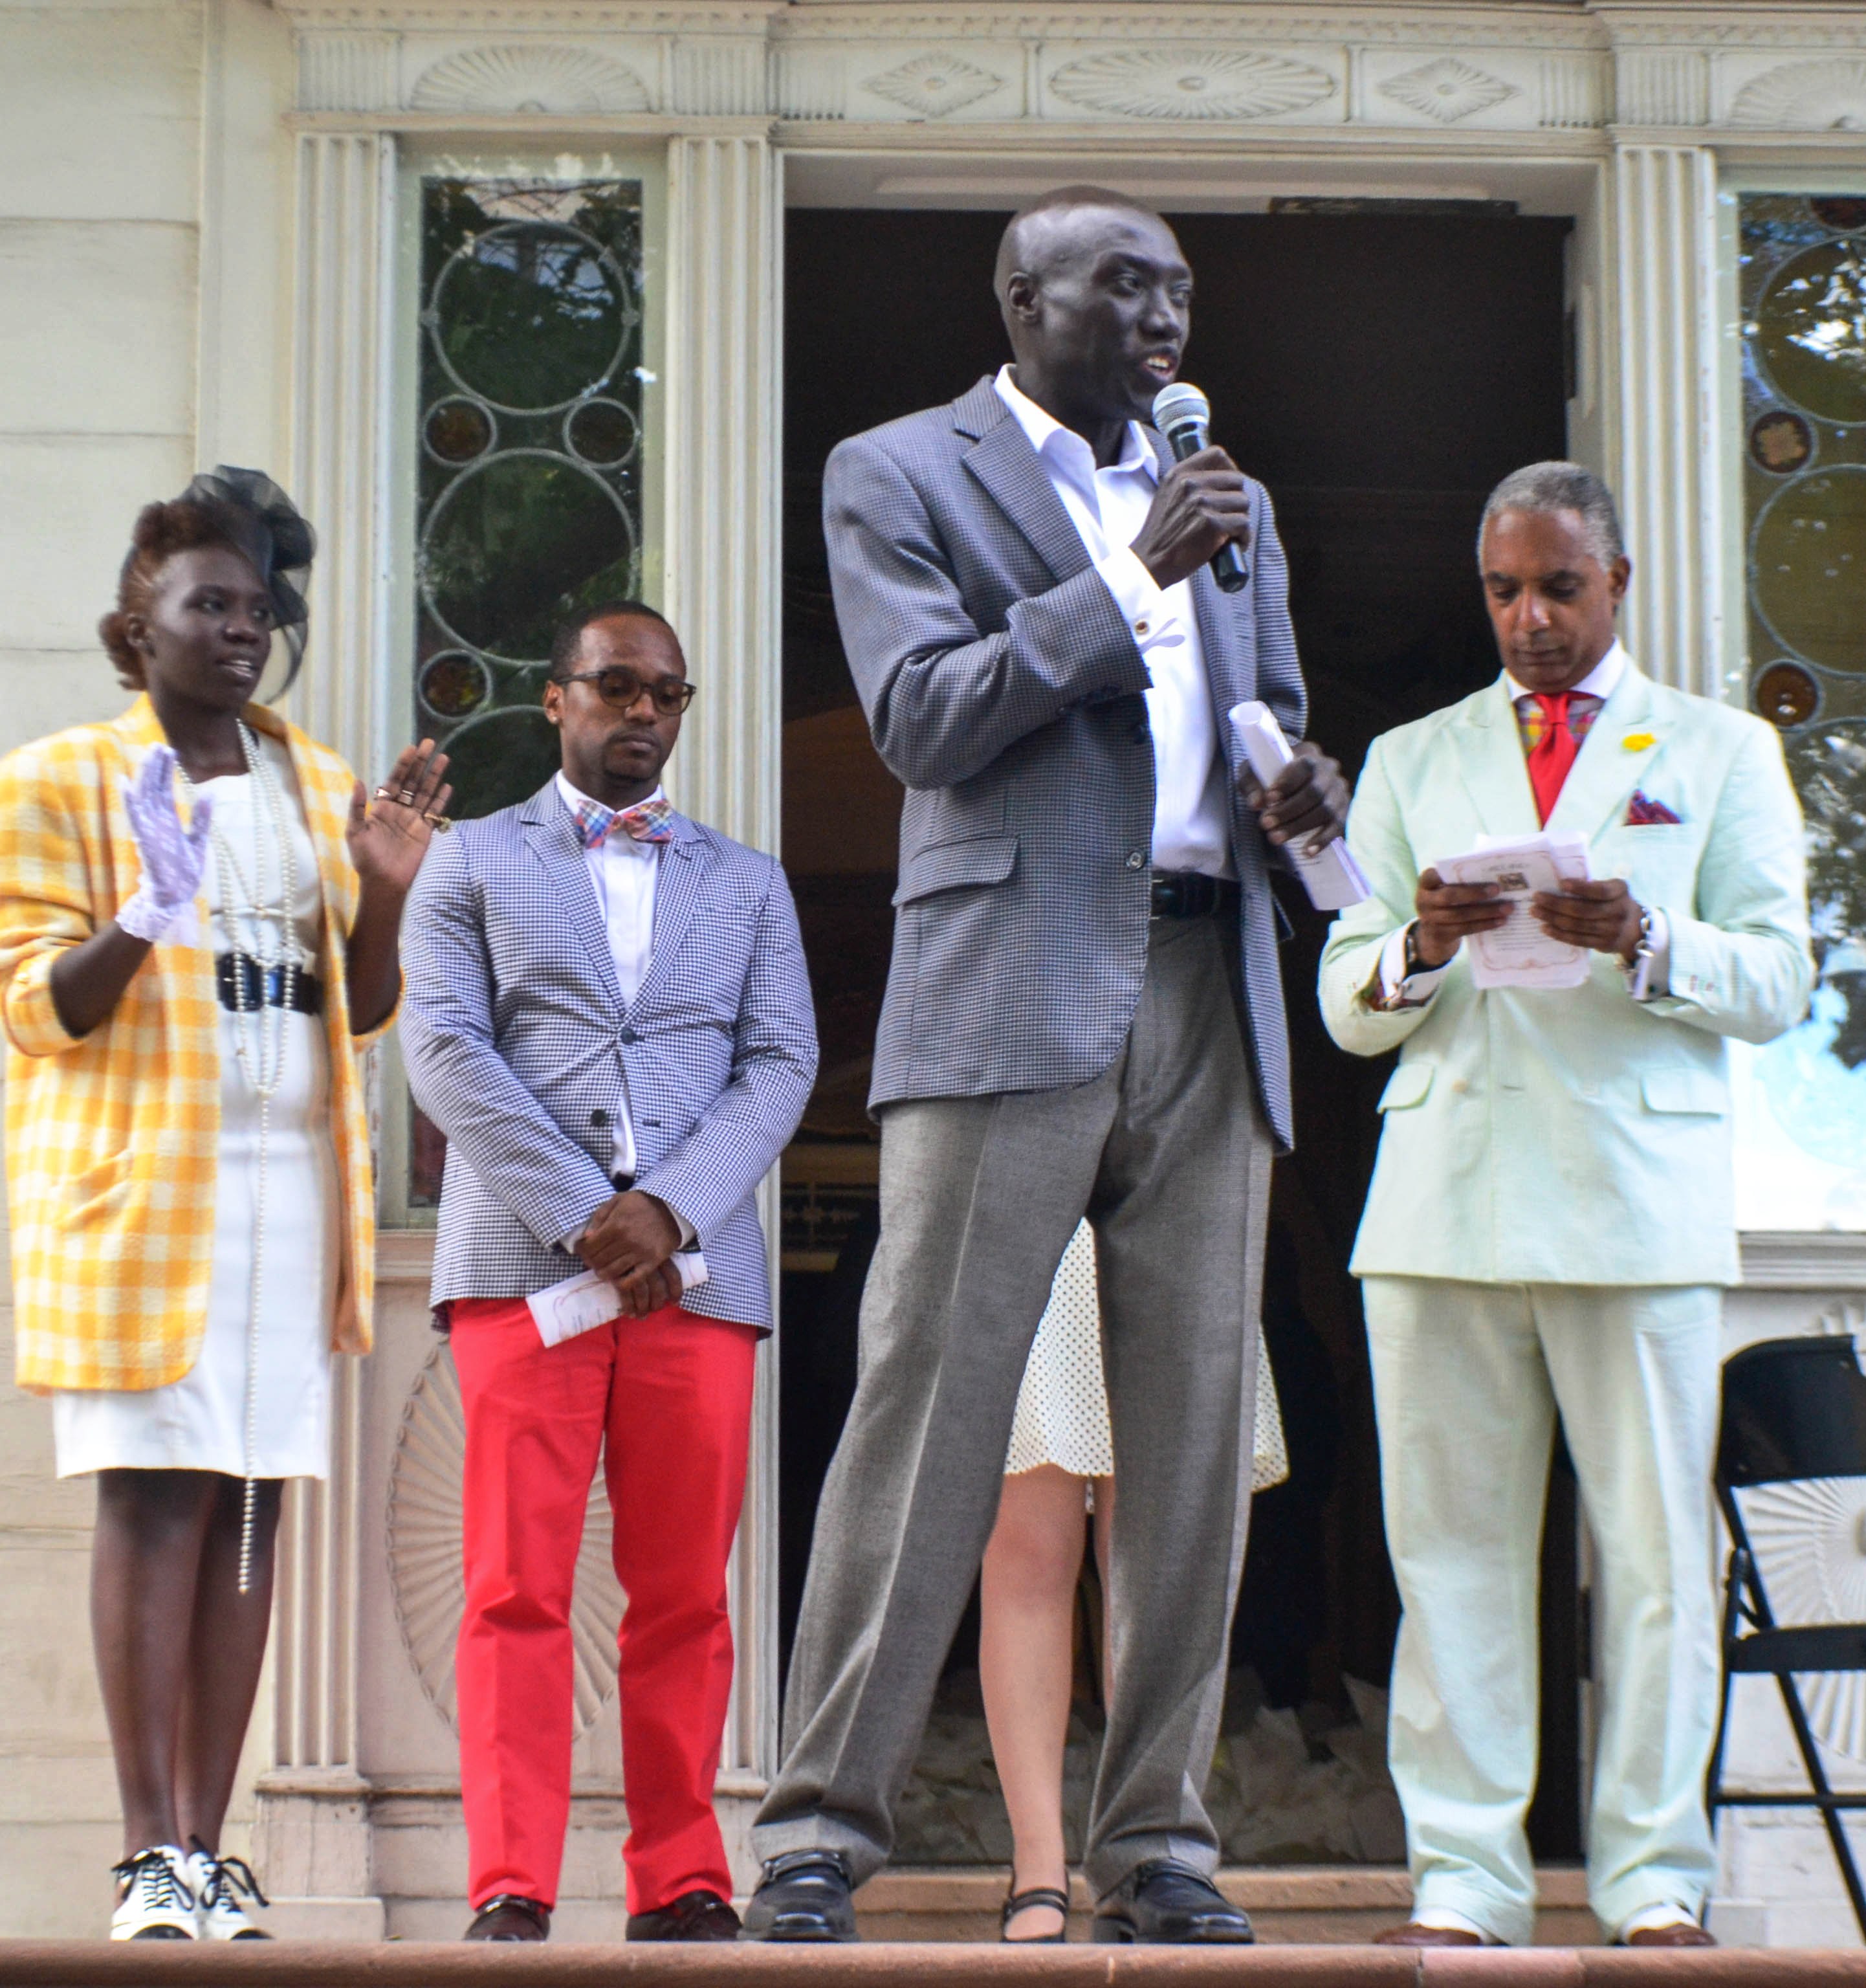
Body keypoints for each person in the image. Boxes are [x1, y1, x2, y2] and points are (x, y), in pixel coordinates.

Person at [745, 185, 1350, 1946]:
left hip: (1209, 978)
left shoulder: (1233, 501)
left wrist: (1308, 793)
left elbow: (1270, 717)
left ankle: (1158, 1842)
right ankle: (818, 1831)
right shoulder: (898, 471)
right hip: (1009, 982)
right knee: (927, 1417)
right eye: (1127, 287)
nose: (1166, 321)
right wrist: (1127, 573)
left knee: (1187, 1447)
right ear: (1024, 299)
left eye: (1181, 293)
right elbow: (923, 716)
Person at [1316, 463, 1812, 1950]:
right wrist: (1419, 944)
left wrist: (1651, 938)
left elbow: (1781, 978)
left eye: (1559, 586)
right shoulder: (1411, 757)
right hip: (1445, 1202)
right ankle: (1464, 1881)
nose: (1529, 616)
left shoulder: (1720, 749)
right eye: (1503, 590)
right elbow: (1343, 1000)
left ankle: (1653, 1879)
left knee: (1656, 1562)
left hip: (1634, 1200)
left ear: (1619, 581)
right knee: (1450, 1559)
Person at [0, 471, 448, 1940]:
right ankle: (143, 1853)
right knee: (153, 1489)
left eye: (255, 608)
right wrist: (145, 907)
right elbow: (31, 1006)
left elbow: (359, 1011)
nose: (241, 629)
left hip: (285, 1190)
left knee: (250, 1504)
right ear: (137, 629)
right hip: (146, 1194)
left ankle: (206, 1843)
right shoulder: (56, 779)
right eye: (208, 605)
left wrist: (383, 891)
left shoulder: (315, 781)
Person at [399, 600, 815, 1944]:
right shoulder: (467, 860)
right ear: (557, 697)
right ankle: (510, 1884)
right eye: (618, 686)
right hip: (524, 1271)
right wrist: (591, 1215)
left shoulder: (748, 882)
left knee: (686, 1594)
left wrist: (671, 1211)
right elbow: (445, 1051)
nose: (643, 712)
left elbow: (781, 1063)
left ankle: (681, 1877)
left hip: (701, 1279)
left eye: (666, 695)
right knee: (514, 1586)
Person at [982, 1223, 1290, 1943]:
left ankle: (1154, 1852)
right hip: (1032, 1218)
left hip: (1168, 1217)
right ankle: (1037, 1865)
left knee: (1157, 1559)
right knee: (1028, 1550)